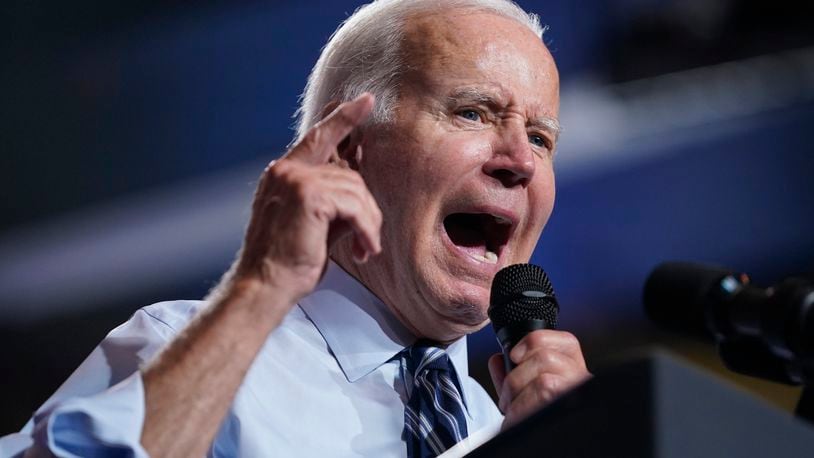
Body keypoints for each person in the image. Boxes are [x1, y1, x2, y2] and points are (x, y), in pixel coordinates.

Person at [0, 0, 590, 456]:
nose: (521, 161)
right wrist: (260, 288)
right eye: (473, 112)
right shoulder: (185, 359)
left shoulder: (513, 432)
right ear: (347, 147)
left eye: (541, 138)